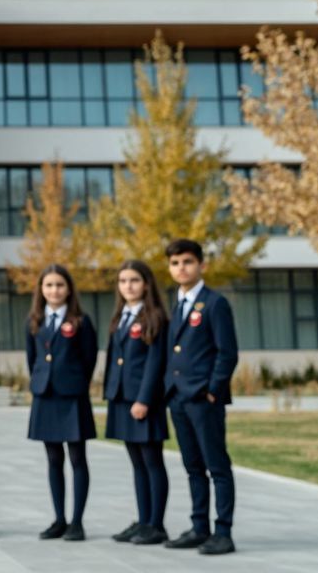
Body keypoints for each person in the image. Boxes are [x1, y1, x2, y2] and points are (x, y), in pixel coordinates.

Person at [162, 238, 239, 555]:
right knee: (193, 466)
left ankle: (223, 531)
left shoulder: (214, 303)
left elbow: (227, 353)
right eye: (175, 263)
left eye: (188, 262)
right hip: (179, 398)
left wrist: (212, 391)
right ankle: (199, 526)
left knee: (216, 465)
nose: (182, 268)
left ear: (201, 265)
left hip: (203, 399)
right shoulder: (177, 304)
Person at [25, 264, 98, 542]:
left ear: (68, 289)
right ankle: (59, 519)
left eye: (59, 285)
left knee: (77, 458)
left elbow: (89, 359)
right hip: (45, 396)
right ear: (41, 290)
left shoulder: (81, 320)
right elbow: (32, 359)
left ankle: (77, 522)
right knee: (53, 459)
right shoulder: (34, 321)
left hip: (72, 396)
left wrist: (75, 382)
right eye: (49, 285)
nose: (54, 290)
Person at [103, 260, 170, 546]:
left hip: (143, 400)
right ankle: (143, 520)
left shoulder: (155, 317)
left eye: (134, 280)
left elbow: (155, 362)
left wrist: (144, 399)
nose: (128, 286)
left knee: (152, 461)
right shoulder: (121, 316)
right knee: (137, 463)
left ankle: (156, 524)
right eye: (122, 281)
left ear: (146, 283)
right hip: (121, 398)